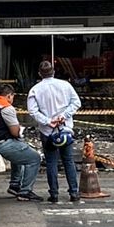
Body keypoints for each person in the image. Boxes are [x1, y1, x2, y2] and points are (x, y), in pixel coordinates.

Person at [27, 60, 82, 203]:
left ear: (40, 74)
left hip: (47, 132)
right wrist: (63, 116)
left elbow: (32, 111)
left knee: (51, 163)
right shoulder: (65, 85)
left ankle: (54, 194)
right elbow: (76, 102)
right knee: (68, 161)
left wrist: (47, 121)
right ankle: (74, 193)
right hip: (65, 130)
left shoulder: (35, 89)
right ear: (54, 72)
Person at [0, 89, 43, 201]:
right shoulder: (7, 108)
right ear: (9, 95)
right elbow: (15, 132)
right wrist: (20, 131)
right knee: (34, 158)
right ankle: (25, 191)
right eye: (12, 97)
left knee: (18, 149)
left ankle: (15, 185)